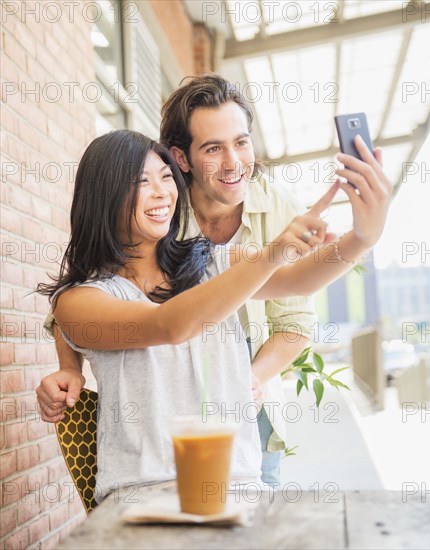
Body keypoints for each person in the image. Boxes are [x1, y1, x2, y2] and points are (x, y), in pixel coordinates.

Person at [36, 75, 391, 486]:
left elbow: (296, 282)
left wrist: (364, 236)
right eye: (141, 183)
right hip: (145, 500)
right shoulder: (79, 302)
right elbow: (169, 324)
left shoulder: (207, 259)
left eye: (164, 179)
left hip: (239, 486)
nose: (162, 194)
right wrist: (273, 253)